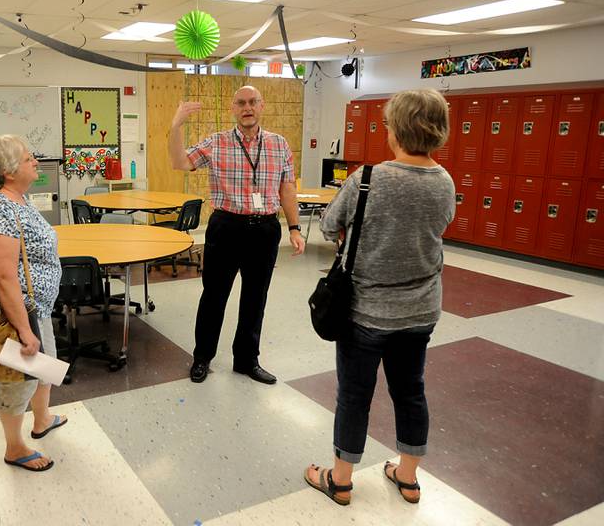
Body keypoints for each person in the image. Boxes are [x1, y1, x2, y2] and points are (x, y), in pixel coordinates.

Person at [304, 89, 455, 505]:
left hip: (365, 313)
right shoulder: (445, 182)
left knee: (354, 395)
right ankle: (407, 478)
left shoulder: (368, 178)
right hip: (421, 311)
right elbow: (437, 227)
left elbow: (330, 222)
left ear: (398, 129)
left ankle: (341, 480)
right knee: (411, 391)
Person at [168, 85, 306, 385]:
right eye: (241, 102)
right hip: (226, 227)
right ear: (233, 108)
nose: (247, 107)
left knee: (256, 298)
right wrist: (176, 125)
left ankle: (246, 360)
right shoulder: (216, 142)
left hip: (266, 229)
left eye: (253, 102)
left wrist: (294, 227)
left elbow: (287, 188)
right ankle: (202, 357)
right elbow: (179, 162)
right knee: (214, 296)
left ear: (262, 105)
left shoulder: (279, 144)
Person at [0, 135, 67, 472]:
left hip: (36, 308)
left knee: (44, 367)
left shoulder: (18, 200)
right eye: (29, 159)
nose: (36, 163)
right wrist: (26, 332)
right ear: (10, 170)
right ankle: (14, 447)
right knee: (20, 379)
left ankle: (41, 419)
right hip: (18, 314)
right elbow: (2, 277)